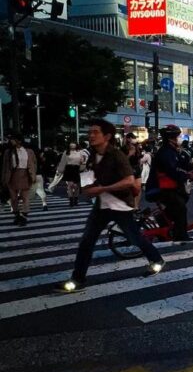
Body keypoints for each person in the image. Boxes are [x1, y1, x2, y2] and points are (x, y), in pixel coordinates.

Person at [56, 119, 165, 293]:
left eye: (95, 132)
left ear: (107, 136)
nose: (91, 135)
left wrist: (102, 188)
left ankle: (157, 259)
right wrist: (88, 188)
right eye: (90, 132)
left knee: (134, 237)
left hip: (120, 205)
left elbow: (129, 180)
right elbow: (89, 177)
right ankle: (78, 279)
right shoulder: (92, 155)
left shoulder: (116, 155)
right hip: (102, 206)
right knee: (86, 241)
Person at [145, 125, 193, 241]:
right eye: (177, 137)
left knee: (181, 200)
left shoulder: (172, 151)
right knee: (180, 207)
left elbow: (182, 163)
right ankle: (180, 235)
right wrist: (188, 175)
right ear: (171, 139)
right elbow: (173, 170)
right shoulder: (166, 153)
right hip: (159, 188)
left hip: (168, 187)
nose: (179, 139)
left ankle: (163, 221)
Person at [2, 133, 36, 226]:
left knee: (25, 197)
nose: (11, 141)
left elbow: (33, 164)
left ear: (19, 141)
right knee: (13, 198)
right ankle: (17, 215)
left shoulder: (29, 151)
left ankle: (23, 217)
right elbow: (5, 166)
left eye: (13, 139)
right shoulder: (8, 152)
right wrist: (4, 179)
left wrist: (33, 176)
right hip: (12, 175)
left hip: (25, 175)